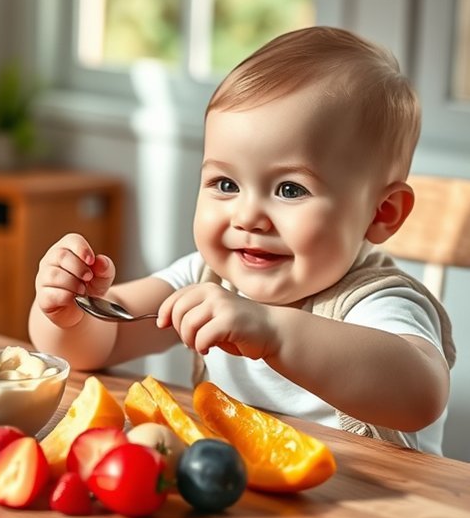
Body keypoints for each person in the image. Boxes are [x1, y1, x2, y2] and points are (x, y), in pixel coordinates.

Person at [28, 26, 455, 455]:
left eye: (290, 189)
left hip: (375, 513)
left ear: (382, 213)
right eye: (226, 183)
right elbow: (103, 342)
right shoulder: (205, 276)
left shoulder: (378, 301)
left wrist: (275, 332)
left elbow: (422, 393)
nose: (247, 216)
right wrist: (67, 313)